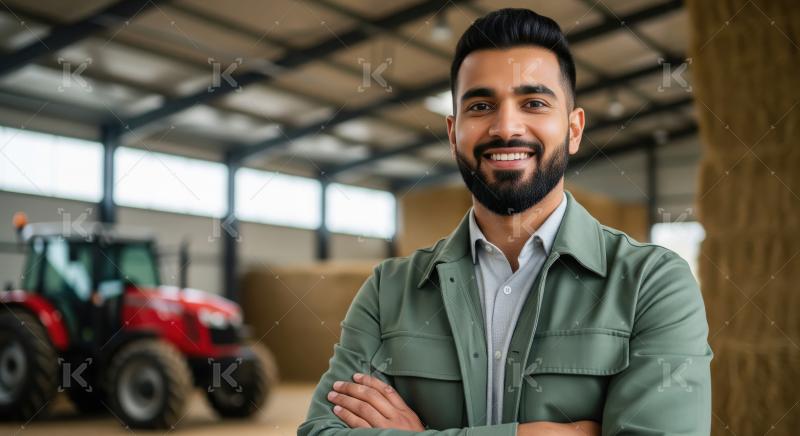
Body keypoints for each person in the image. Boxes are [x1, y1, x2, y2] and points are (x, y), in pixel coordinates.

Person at [299, 8, 712, 436]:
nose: (506, 127)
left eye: (533, 103)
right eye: (481, 105)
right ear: (453, 131)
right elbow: (321, 432)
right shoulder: (389, 291)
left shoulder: (653, 284)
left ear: (573, 129)